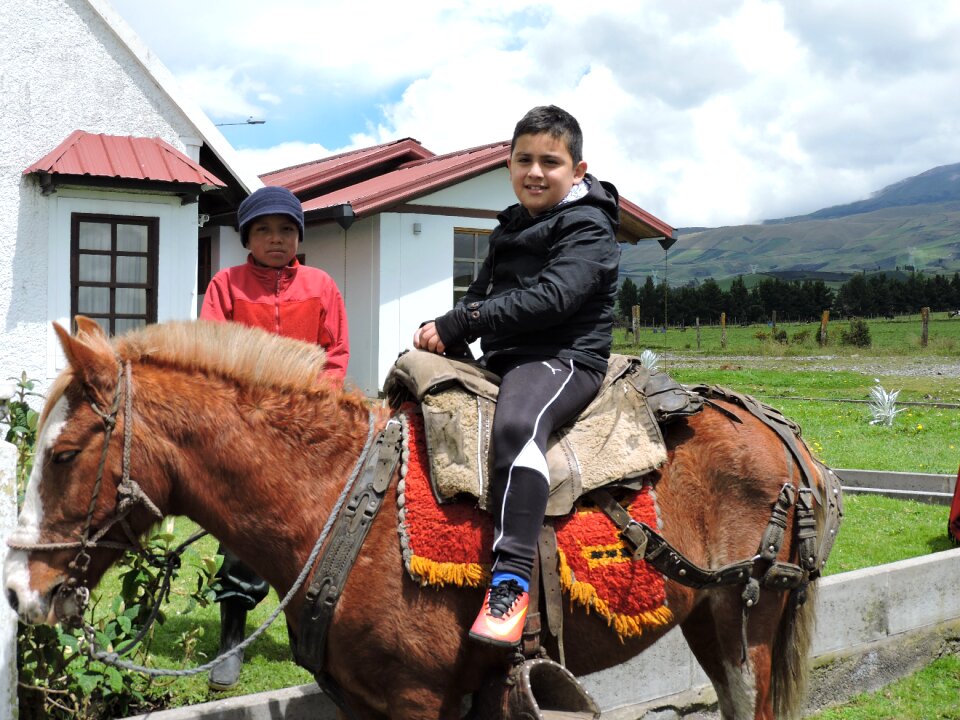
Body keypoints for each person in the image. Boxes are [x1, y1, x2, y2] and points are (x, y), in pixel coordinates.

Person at [413, 105, 621, 647]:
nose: (534, 171)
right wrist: (447, 334)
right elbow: (480, 295)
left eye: (549, 161)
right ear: (508, 164)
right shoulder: (510, 225)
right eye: (523, 159)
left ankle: (510, 580)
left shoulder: (589, 226)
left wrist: (467, 319)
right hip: (506, 357)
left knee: (515, 429)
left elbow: (555, 298)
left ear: (577, 171)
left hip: (563, 357)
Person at [200, 185, 349, 688]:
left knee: (309, 534)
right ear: (246, 237)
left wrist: (311, 408)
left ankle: (304, 635)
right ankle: (231, 641)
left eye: (286, 229)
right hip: (247, 431)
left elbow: (335, 354)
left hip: (305, 430)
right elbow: (212, 354)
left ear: (299, 236)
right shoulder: (227, 285)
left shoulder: (321, 284)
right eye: (263, 229)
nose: (276, 239)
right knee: (246, 534)